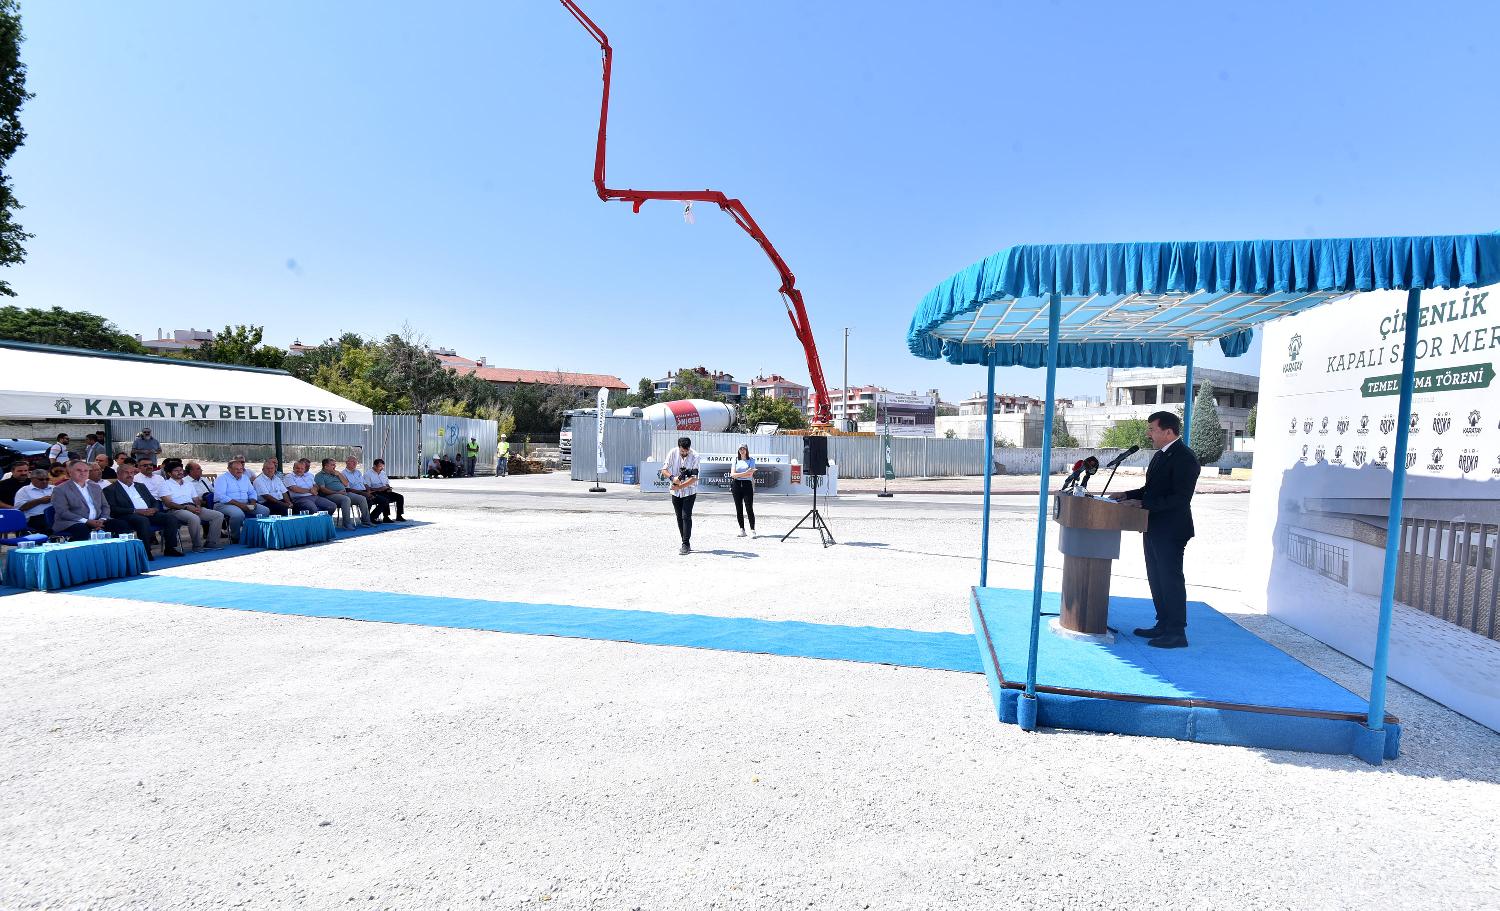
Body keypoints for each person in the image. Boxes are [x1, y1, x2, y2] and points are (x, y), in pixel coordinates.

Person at [1119, 411, 1201, 649]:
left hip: (1172, 529)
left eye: (1152, 429)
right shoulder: (1160, 456)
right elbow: (1151, 489)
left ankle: (1177, 632)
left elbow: (1180, 498)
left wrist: (1143, 503)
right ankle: (1163, 623)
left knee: (1170, 579)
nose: (1149, 434)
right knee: (1156, 578)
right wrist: (1126, 495)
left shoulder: (1185, 458)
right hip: (1153, 526)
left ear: (1168, 431)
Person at [103, 459, 185, 558]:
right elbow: (113, 509)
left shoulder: (140, 486)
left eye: (132, 473)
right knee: (142, 520)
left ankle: (170, 548)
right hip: (129, 515)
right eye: (126, 473)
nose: (130, 475)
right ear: (118, 474)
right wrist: (136, 511)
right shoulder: (110, 489)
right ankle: (146, 551)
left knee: (170, 518)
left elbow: (153, 501)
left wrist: (154, 509)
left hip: (148, 512)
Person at [51, 459, 130, 541]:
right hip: (73, 522)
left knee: (121, 524)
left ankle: (115, 548)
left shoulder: (95, 487)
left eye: (86, 470)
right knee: (82, 529)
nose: (83, 473)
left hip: (98, 521)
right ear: (70, 472)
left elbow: (105, 506)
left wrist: (102, 520)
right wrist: (87, 521)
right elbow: (63, 512)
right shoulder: (60, 489)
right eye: (79, 470)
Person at [158, 462, 226, 552]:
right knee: (194, 518)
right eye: (176, 471)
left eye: (181, 470)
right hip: (175, 510)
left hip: (192, 507)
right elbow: (168, 503)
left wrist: (198, 506)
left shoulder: (188, 484)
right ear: (169, 473)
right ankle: (197, 546)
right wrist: (186, 508)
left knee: (218, 515)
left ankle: (211, 542)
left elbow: (196, 499)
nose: (180, 472)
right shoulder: (164, 485)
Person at [210, 457, 270, 541]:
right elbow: (221, 496)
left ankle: (256, 533)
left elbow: (252, 492)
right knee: (238, 514)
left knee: (265, 510)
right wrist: (240, 505)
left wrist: (253, 502)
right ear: (229, 469)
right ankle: (235, 537)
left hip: (245, 503)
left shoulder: (245, 478)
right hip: (225, 504)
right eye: (236, 469)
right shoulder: (222, 478)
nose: (239, 471)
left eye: (241, 469)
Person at [659, 436, 700, 555]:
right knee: (679, 517)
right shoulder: (672, 452)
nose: (684, 453)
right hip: (675, 492)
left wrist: (680, 486)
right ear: (679, 447)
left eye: (686, 451)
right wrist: (673, 478)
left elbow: (694, 478)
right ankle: (685, 541)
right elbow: (664, 470)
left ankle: (685, 544)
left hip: (689, 491)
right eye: (682, 451)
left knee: (686, 516)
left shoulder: (695, 456)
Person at [315, 457, 369, 529]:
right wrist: (337, 492)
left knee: (362, 498)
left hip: (343, 493)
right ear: (326, 466)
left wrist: (339, 474)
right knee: (346, 499)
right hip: (330, 495)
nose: (335, 466)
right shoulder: (319, 475)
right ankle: (347, 524)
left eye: (335, 464)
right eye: (332, 465)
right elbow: (323, 489)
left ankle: (366, 521)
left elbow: (346, 484)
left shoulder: (336, 473)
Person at [338, 456, 384, 523]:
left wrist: (368, 490)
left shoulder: (358, 472)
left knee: (384, 500)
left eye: (356, 462)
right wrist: (364, 493)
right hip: (355, 493)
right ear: (347, 462)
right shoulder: (343, 474)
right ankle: (366, 520)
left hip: (365, 491)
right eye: (352, 461)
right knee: (369, 500)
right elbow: (348, 489)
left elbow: (364, 483)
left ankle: (372, 518)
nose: (355, 463)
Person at [12, 469, 55, 533]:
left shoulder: (54, 488)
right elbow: (19, 508)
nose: (45, 481)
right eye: (41, 479)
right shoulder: (24, 490)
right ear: (32, 479)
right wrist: (39, 501)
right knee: (46, 523)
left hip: (55, 515)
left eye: (47, 479)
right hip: (35, 517)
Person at [728, 444, 757, 537]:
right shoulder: (735, 460)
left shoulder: (751, 460)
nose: (742, 450)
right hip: (736, 485)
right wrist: (745, 473)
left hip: (747, 485)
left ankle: (752, 530)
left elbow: (750, 475)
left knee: (749, 508)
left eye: (744, 449)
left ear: (747, 450)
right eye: (740, 449)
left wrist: (739, 474)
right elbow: (732, 475)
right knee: (739, 508)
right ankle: (742, 529)